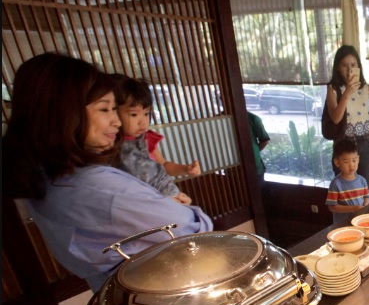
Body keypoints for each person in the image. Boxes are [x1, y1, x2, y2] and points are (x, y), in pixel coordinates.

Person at [2, 53, 213, 292]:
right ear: (64, 114)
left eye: (115, 109)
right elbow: (194, 232)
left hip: (115, 294)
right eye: (105, 109)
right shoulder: (102, 189)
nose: (116, 121)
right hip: (160, 293)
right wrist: (177, 207)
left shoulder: (44, 178)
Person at [114, 75, 193, 204]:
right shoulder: (110, 145)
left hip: (168, 194)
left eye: (146, 113)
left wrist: (185, 169)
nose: (143, 121)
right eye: (134, 114)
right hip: (146, 202)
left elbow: (164, 166)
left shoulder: (147, 139)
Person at [324, 45, 369, 190]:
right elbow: (335, 118)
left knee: (366, 193)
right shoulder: (333, 89)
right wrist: (347, 92)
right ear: (337, 67)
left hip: (365, 145)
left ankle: (365, 214)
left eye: (353, 65)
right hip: (343, 145)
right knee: (345, 193)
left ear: (358, 67)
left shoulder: (365, 88)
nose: (349, 70)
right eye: (344, 65)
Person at [325, 138, 369, 223]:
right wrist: (353, 209)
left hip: (359, 221)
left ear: (358, 159)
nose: (351, 165)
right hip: (342, 224)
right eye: (346, 162)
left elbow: (366, 197)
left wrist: (365, 205)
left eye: (354, 160)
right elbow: (332, 207)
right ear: (337, 162)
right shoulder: (335, 184)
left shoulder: (362, 180)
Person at [247, 110, 270, 184]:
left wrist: (252, 152)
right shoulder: (219, 118)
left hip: (254, 166)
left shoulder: (252, 118)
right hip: (231, 168)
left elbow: (264, 141)